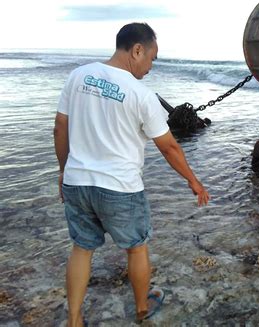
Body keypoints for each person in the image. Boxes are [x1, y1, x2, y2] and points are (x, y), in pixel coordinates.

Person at [54, 22, 210, 326]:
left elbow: (60, 127)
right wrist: (193, 181)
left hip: (77, 182)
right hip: (120, 187)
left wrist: (63, 171)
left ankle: (74, 319)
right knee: (136, 247)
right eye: (151, 58)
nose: (151, 66)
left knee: (82, 248)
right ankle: (141, 308)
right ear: (137, 50)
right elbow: (169, 148)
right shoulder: (141, 94)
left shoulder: (78, 76)